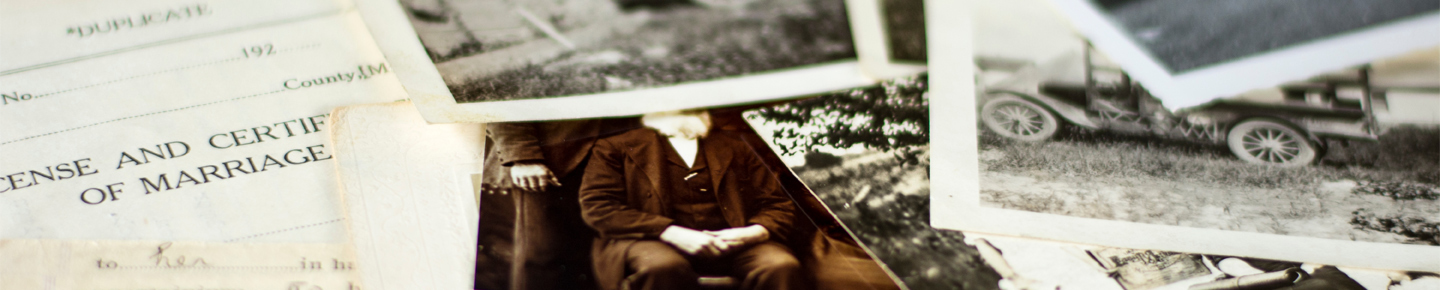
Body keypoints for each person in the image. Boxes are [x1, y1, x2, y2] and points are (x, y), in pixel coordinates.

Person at [578, 110, 803, 290]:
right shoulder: (615, 147)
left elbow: (776, 204)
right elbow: (598, 207)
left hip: (732, 240)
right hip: (651, 240)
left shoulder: (737, 146)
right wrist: (671, 232)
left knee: (779, 266)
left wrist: (751, 233)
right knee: (662, 267)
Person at [482, 118, 641, 290]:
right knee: (544, 253)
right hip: (546, 163)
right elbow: (504, 102)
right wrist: (523, 157)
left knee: (602, 254)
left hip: (613, 154)